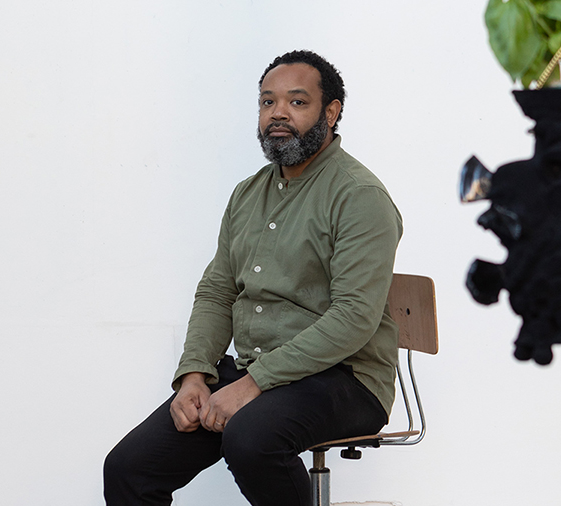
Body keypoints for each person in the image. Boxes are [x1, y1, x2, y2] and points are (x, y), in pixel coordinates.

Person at [103, 50, 403, 506]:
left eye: (297, 103)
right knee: (129, 468)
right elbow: (217, 289)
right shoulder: (247, 193)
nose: (278, 113)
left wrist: (253, 384)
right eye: (267, 102)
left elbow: (354, 318)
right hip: (255, 369)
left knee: (251, 439)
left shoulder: (359, 196)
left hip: (346, 378)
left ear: (331, 111)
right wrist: (195, 375)